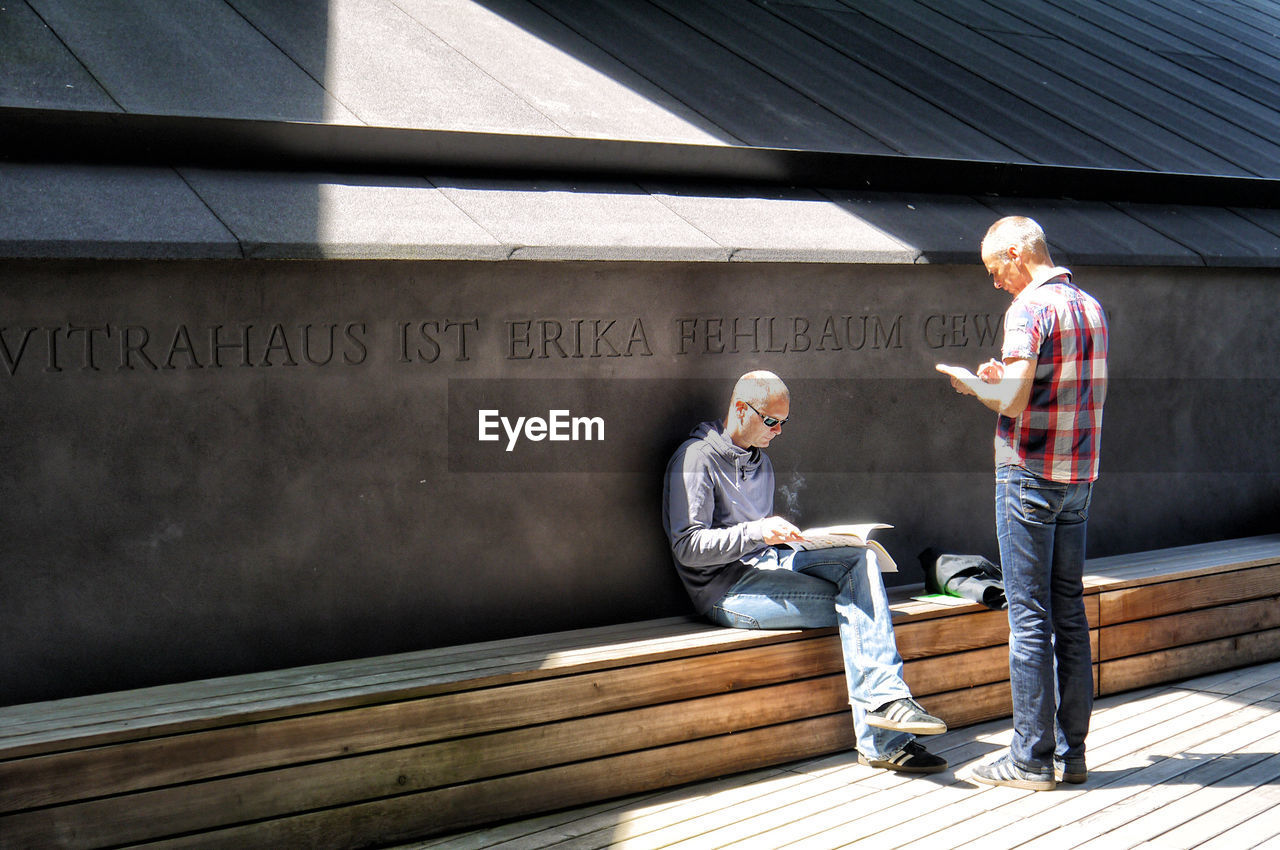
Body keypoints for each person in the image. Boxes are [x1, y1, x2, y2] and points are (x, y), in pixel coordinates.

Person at [662, 370, 948, 774]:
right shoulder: (695, 459)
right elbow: (688, 547)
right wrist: (758, 531)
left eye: (785, 423)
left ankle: (886, 712)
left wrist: (793, 540)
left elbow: (761, 539)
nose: (778, 432)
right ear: (741, 409)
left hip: (771, 566)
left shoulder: (761, 462)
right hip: (727, 590)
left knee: (859, 558)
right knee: (863, 607)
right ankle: (884, 735)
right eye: (771, 421)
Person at [937, 216, 1109, 791]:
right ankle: (1073, 754)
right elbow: (1051, 386)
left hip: (1029, 475)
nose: (995, 284)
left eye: (994, 270)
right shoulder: (1089, 307)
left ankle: (1030, 759)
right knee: (1070, 614)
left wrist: (971, 383)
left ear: (1016, 254)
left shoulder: (1027, 309)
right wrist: (1002, 378)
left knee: (1029, 617)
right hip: (1077, 480)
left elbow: (1010, 403)